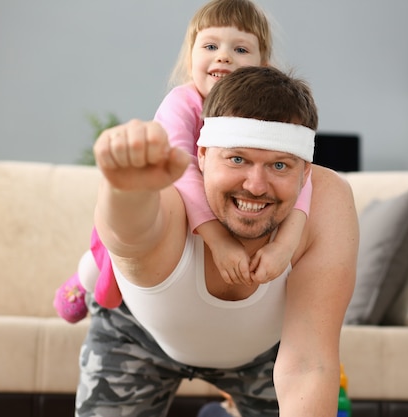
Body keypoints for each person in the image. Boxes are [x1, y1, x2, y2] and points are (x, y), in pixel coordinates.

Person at [75, 66, 358, 417]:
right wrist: (124, 187)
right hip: (136, 335)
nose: (256, 185)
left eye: (280, 166)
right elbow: (127, 235)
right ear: (203, 156)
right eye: (237, 159)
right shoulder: (172, 197)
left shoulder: (327, 203)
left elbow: (308, 365)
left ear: (306, 172)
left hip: (264, 354)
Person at [53, 0, 313, 323]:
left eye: (241, 50)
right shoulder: (181, 103)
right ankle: (84, 281)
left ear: (264, 66)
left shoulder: (270, 112)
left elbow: (301, 175)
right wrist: (218, 241)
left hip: (223, 201)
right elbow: (183, 171)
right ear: (191, 59)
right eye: (211, 45)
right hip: (174, 200)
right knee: (110, 253)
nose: (224, 56)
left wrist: (284, 247)